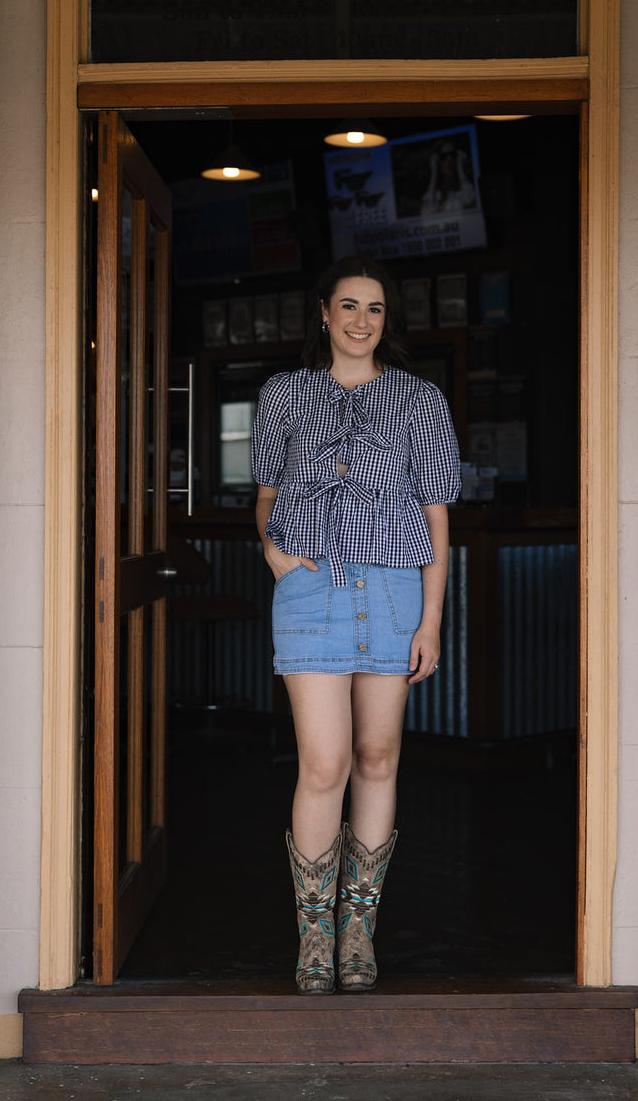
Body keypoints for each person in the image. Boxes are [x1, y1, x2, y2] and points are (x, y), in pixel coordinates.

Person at [251, 255, 460, 996]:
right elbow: (266, 492)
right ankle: (313, 936)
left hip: (397, 589)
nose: (361, 321)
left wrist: (431, 618)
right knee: (324, 764)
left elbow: (436, 513)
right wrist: (275, 553)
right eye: (348, 306)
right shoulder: (284, 395)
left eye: (374, 309)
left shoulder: (422, 401)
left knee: (377, 755)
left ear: (386, 320)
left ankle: (357, 932)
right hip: (311, 593)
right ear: (323, 313)